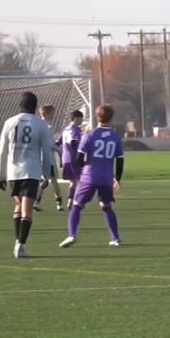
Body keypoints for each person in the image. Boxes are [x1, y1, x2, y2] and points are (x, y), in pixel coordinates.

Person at [0, 91, 57, 258]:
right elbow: (46, 153)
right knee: (27, 209)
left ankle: (18, 242)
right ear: (35, 106)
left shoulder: (9, 122)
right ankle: (21, 245)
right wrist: (46, 175)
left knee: (18, 206)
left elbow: (2, 151)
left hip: (13, 172)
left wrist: (0, 175)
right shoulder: (41, 125)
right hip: (31, 171)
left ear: (20, 105)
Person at [60, 105, 124, 248]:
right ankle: (115, 238)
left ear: (97, 117)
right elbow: (120, 160)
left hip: (89, 176)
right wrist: (118, 179)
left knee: (77, 205)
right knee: (106, 206)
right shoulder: (115, 137)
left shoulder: (90, 135)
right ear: (111, 118)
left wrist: (85, 167)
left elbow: (79, 159)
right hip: (106, 178)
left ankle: (72, 235)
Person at [35, 104, 65, 212]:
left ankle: (41, 202)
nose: (54, 115)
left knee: (49, 180)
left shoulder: (37, 125)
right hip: (48, 158)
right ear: (48, 113)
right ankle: (57, 203)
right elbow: (49, 144)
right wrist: (60, 150)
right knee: (49, 180)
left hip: (39, 157)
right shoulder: (46, 127)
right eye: (52, 112)